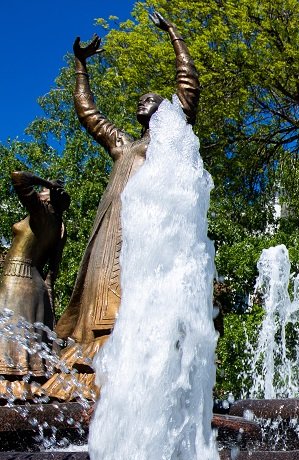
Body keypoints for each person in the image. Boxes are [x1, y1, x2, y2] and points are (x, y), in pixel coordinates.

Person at [42, 12, 199, 401]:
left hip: (142, 235)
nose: (142, 101)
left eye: (151, 99)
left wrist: (174, 34)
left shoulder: (166, 142)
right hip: (109, 233)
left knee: (130, 298)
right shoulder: (124, 145)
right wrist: (81, 66)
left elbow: (187, 88)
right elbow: (89, 114)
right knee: (97, 301)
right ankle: (88, 373)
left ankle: (132, 373)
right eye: (141, 99)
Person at [0, 172, 69, 401]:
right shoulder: (59, 226)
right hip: (35, 283)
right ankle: (28, 387)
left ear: (48, 199)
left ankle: (10, 386)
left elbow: (18, 177)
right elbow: (52, 272)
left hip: (17, 277)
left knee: (9, 333)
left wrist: (47, 183)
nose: (38, 194)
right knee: (26, 337)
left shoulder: (41, 213)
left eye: (43, 193)